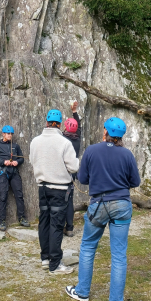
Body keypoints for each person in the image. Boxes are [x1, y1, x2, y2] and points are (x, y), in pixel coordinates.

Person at [65, 117, 141, 301]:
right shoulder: (127, 154)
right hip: (122, 204)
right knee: (118, 254)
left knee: (89, 246)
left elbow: (82, 179)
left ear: (105, 132)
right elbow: (135, 181)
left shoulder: (91, 150)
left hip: (98, 203)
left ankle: (82, 292)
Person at [30, 109, 79, 275]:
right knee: (56, 225)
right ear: (59, 124)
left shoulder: (35, 141)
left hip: (42, 187)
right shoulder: (64, 143)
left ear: (46, 122)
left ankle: (45, 258)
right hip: (59, 189)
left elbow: (32, 160)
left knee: (44, 222)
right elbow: (74, 167)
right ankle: (55, 264)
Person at [0, 125, 30, 231]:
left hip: (14, 172)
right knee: (3, 196)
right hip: (4, 172)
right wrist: (3, 162)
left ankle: (22, 218)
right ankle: (2, 220)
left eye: (11, 134)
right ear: (3, 134)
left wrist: (17, 161)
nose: (10, 135)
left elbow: (21, 159)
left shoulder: (15, 146)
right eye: (8, 133)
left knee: (19, 195)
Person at [62, 100, 82, 237]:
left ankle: (59, 226)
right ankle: (69, 228)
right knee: (69, 201)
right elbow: (78, 126)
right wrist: (74, 112)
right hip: (72, 174)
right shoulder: (77, 138)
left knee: (59, 200)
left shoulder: (62, 140)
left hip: (61, 174)